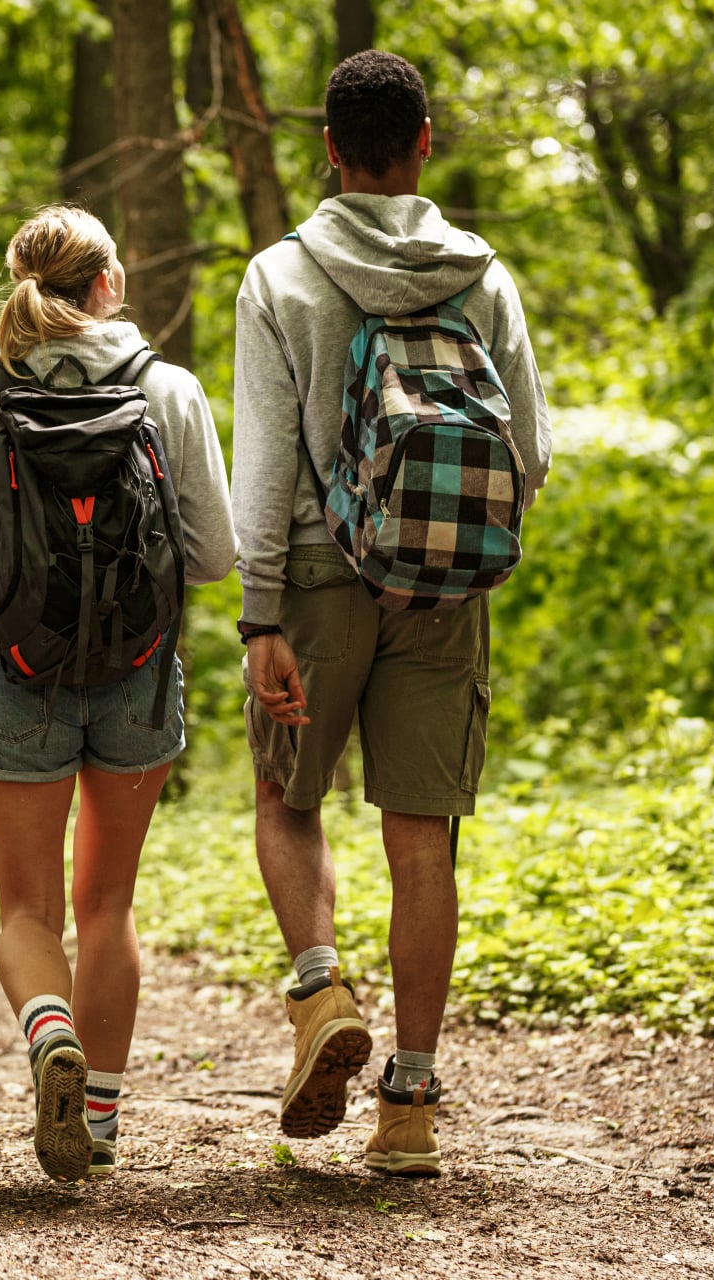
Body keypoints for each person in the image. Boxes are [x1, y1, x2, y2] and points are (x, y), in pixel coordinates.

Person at [232, 51, 551, 1177]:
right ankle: (409, 1102)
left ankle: (321, 990)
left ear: (329, 148)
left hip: (317, 580)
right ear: (424, 144)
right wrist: (447, 545)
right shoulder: (483, 274)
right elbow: (534, 450)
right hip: (445, 587)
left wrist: (259, 610)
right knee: (424, 840)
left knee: (287, 792)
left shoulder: (281, 275)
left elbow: (265, 465)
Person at [0, 205, 236, 1182]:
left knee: (27, 908)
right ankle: (104, 1122)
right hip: (138, 670)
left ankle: (50, 1031)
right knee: (111, 902)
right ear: (109, 286)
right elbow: (212, 557)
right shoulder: (168, 387)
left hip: (20, 669)